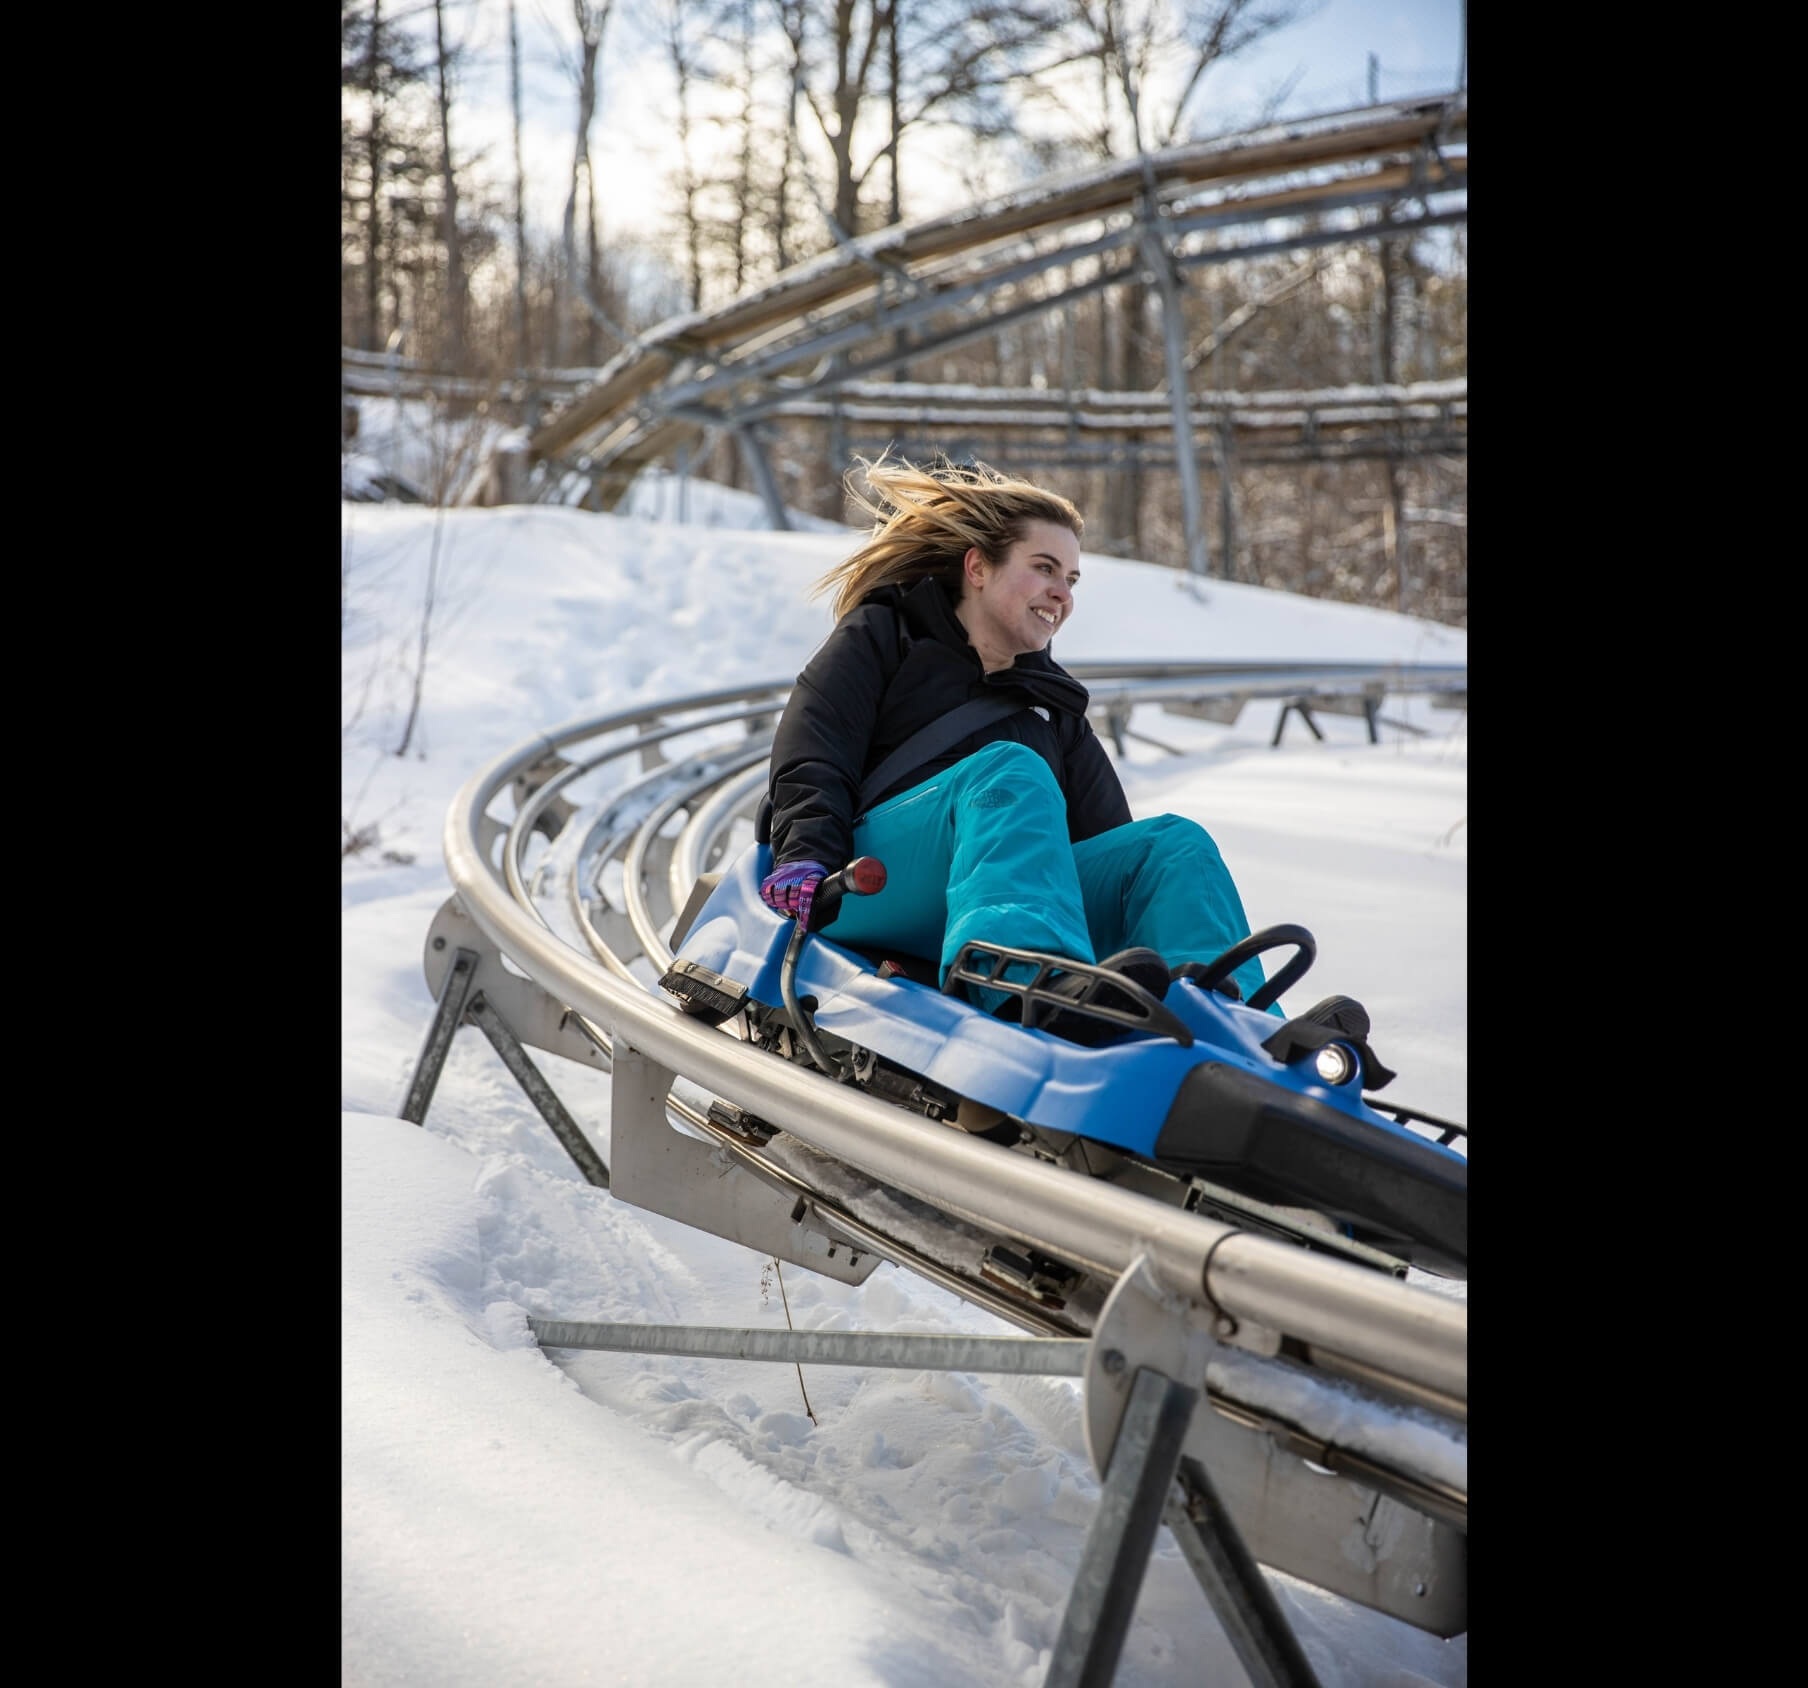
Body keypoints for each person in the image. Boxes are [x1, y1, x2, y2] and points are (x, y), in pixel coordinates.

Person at [757, 454, 1283, 1044]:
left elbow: (1105, 852)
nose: (1062, 594)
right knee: (1008, 770)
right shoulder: (885, 637)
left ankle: (1226, 1020)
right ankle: (1022, 982)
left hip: (977, 900)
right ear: (978, 567)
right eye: (1044, 568)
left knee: (1169, 845)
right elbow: (813, 752)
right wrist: (805, 850)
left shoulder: (1052, 708)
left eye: (1072, 580)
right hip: (862, 882)